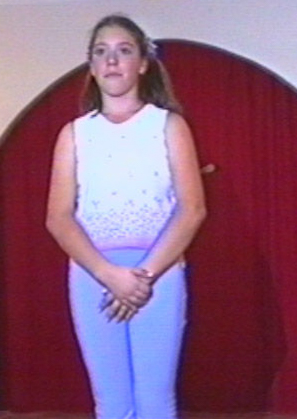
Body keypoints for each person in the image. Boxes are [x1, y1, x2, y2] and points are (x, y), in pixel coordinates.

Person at [46, 14, 206, 419]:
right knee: (112, 402)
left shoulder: (168, 126)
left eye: (123, 50)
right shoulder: (75, 134)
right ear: (91, 65)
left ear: (143, 63)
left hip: (158, 275)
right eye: (101, 52)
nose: (112, 61)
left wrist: (143, 277)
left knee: (155, 400)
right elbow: (59, 218)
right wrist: (109, 275)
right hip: (94, 276)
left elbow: (192, 209)